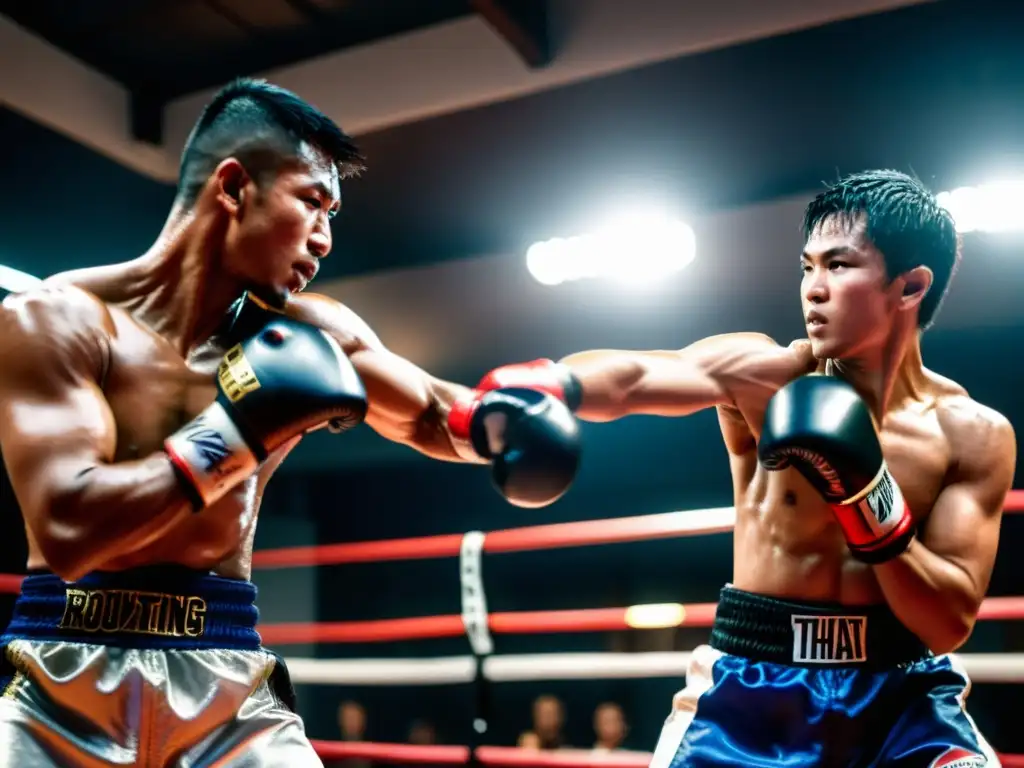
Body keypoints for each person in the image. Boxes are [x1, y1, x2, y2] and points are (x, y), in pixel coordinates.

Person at [0, 78, 580, 767]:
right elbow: (69, 530)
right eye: (313, 202)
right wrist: (238, 429)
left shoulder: (310, 333)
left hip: (225, 684)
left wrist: (497, 425)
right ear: (234, 186)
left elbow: (427, 410)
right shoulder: (56, 320)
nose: (327, 238)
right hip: (60, 679)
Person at [469, 170, 1016, 766]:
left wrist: (868, 497)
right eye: (806, 267)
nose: (812, 288)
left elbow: (947, 621)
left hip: (901, 695)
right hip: (755, 694)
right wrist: (549, 383)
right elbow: (639, 376)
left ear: (910, 287)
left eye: (838, 266)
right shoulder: (765, 375)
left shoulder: (972, 434)